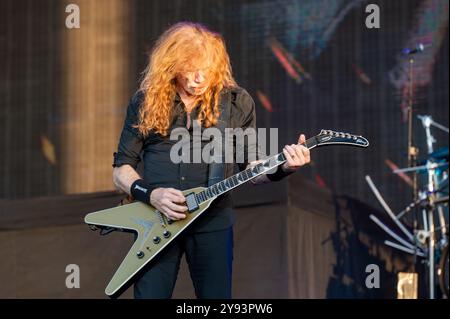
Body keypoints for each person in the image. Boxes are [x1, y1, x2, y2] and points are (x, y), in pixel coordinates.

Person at [112, 22, 311, 299]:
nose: (199, 78)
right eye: (190, 68)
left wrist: (285, 167)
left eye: (206, 68)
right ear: (172, 65)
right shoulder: (146, 101)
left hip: (212, 222)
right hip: (155, 222)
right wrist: (152, 194)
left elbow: (253, 170)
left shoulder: (235, 103)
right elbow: (121, 170)